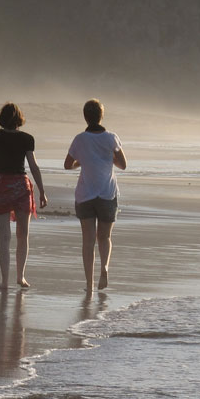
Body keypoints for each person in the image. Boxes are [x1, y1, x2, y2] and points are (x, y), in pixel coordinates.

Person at [0, 103, 47, 290]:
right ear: (19, 120)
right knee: (23, 235)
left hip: (1, 185)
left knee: (4, 237)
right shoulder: (27, 138)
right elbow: (33, 166)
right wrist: (41, 191)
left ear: (2, 119)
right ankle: (21, 277)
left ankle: (4, 281)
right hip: (20, 186)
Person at [64, 99, 126, 293]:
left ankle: (89, 285)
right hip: (107, 192)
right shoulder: (111, 138)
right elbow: (123, 164)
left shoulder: (79, 139)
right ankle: (105, 269)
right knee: (105, 236)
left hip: (85, 194)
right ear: (101, 116)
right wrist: (109, 158)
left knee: (88, 240)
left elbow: (67, 164)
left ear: (85, 117)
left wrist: (81, 162)